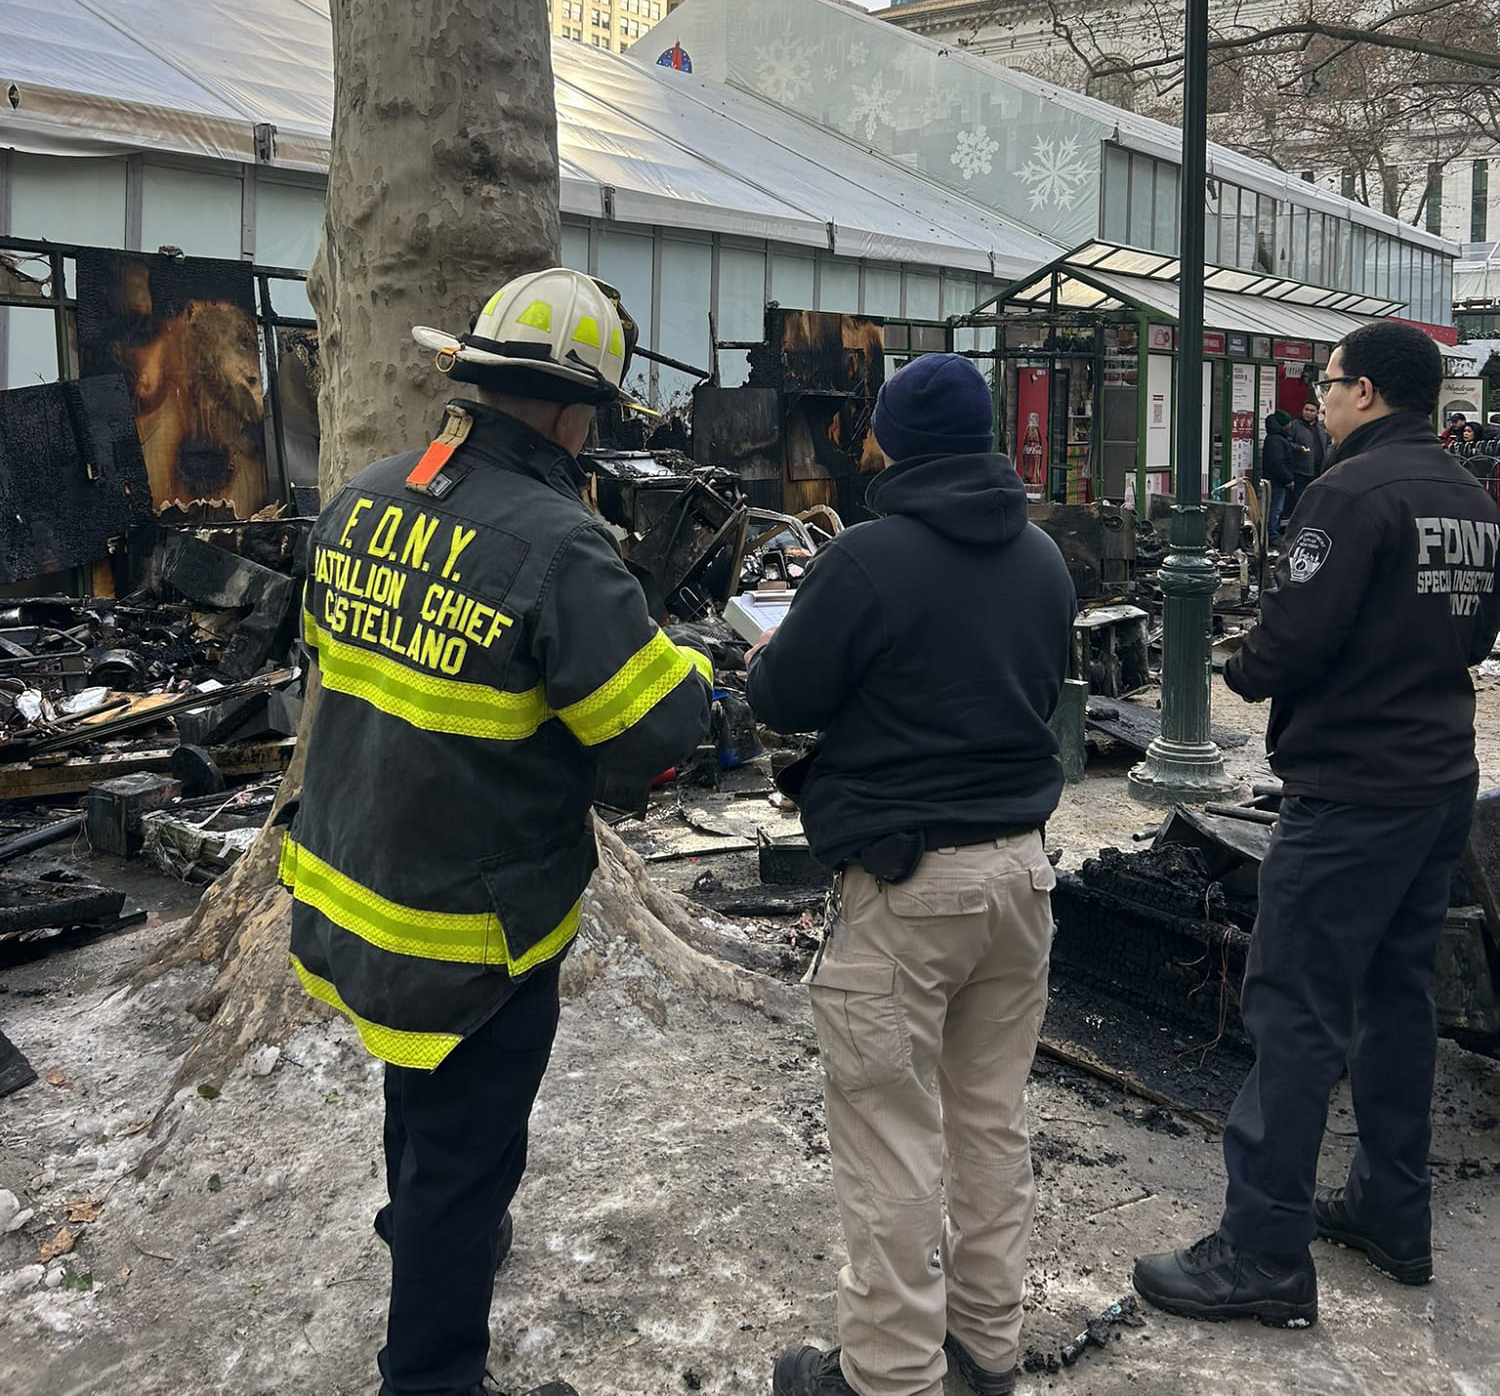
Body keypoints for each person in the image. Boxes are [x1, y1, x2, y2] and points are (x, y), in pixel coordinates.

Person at [280, 268, 713, 1396]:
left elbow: (336, 661)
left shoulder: (364, 495)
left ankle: (431, 1235)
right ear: (575, 414)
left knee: (416, 1095)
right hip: (474, 922)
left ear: (469, 378)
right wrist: (707, 677)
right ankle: (430, 1370)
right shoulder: (563, 546)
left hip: (354, 882)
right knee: (467, 1154)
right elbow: (646, 732)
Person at [1134, 320, 1500, 1330]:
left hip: (1351, 792)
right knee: (1397, 996)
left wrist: (1241, 667)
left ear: (1369, 392)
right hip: (1436, 786)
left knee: (1293, 1008)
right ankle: (1392, 1206)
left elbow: (1288, 639)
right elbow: (1476, 632)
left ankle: (1261, 1250)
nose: (1317, 400)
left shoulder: (1348, 492)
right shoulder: (1468, 498)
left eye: (1327, 383)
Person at [748, 353, 1077, 1396]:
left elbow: (780, 692)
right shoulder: (1043, 557)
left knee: (892, 1137)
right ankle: (987, 1347)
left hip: (905, 884)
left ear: (892, 438)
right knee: (989, 1119)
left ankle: (889, 1373)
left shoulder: (867, 559)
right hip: (1020, 879)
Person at [1259, 409, 1297, 545]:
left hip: (1276, 481)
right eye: (1288, 423)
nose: (1290, 426)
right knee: (1275, 509)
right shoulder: (1277, 440)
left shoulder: (1276, 439)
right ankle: (1272, 535)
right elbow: (1277, 463)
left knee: (1275, 508)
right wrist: (1287, 479)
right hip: (1276, 482)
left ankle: (1272, 533)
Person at [1285, 398, 1330, 506]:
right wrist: (1299, 448)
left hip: (1319, 469)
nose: (1308, 413)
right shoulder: (1295, 425)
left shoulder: (1321, 426)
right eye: (1306, 409)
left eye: (1312, 411)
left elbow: (1328, 443)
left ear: (1317, 413)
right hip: (1301, 469)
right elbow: (1287, 443)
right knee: (1300, 498)